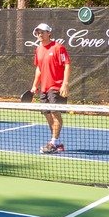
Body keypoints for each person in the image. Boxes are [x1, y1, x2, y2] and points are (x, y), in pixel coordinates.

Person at [30, 23, 72, 153]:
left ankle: (53, 143)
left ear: (49, 33)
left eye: (42, 32)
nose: (40, 35)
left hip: (56, 87)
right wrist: (34, 85)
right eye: (38, 33)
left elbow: (67, 65)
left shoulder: (59, 48)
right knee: (47, 114)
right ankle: (57, 142)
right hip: (44, 88)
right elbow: (39, 68)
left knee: (55, 113)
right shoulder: (38, 49)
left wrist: (65, 83)